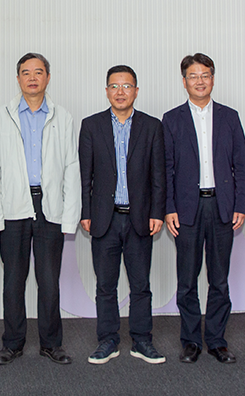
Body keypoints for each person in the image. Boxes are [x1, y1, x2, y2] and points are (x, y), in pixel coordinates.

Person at [0, 53, 80, 366]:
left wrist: (70, 216)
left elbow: (71, 167)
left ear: (48, 77)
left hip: (49, 205)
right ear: (18, 79)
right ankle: (12, 343)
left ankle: (51, 344)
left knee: (49, 280)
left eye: (38, 72)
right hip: (14, 205)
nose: (32, 78)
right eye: (26, 72)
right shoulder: (3, 116)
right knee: (13, 280)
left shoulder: (62, 116)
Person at [163, 53, 245, 364]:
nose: (199, 81)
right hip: (187, 209)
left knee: (219, 279)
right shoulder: (171, 119)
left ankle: (216, 340)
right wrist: (169, 207)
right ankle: (190, 341)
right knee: (187, 280)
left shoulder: (229, 116)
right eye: (193, 76)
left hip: (222, 207)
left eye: (205, 75)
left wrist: (241, 204)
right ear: (184, 81)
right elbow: (166, 168)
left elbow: (241, 164)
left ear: (213, 79)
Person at [79, 65, 166, 365]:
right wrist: (86, 212)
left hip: (140, 218)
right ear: (106, 91)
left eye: (126, 86)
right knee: (106, 285)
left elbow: (158, 176)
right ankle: (108, 340)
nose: (120, 92)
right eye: (114, 86)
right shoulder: (91, 125)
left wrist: (158, 212)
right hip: (105, 218)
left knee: (141, 285)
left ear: (136, 91)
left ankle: (142, 340)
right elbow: (85, 175)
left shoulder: (152, 126)